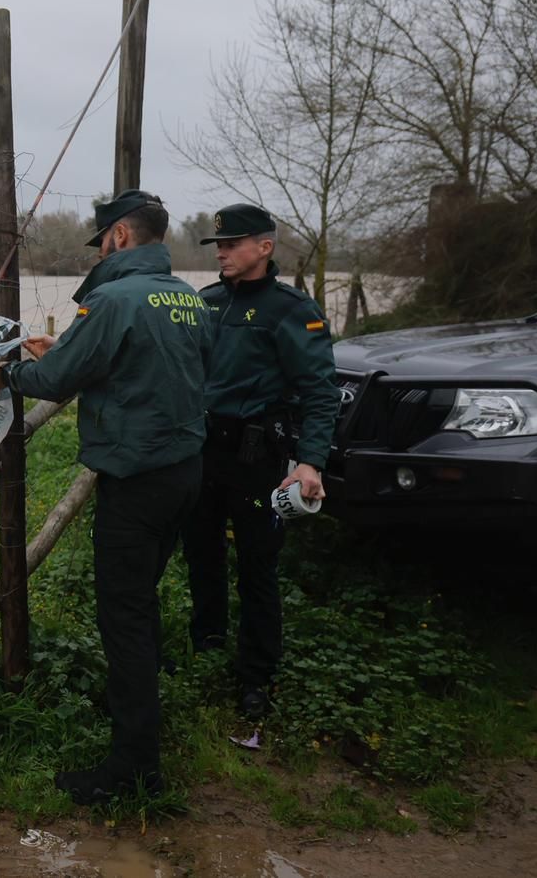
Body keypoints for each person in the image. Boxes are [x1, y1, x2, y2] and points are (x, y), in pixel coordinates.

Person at [0, 189, 208, 804]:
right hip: (185, 474)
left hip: (136, 486)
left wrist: (8, 374)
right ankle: (136, 712)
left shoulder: (111, 298)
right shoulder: (188, 299)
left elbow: (55, 382)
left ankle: (134, 770)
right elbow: (165, 367)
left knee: (125, 617)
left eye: (102, 240)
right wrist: (71, 352)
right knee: (141, 601)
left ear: (118, 237)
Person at [183, 203, 340, 720]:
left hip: (258, 459)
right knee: (201, 552)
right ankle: (206, 643)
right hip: (202, 453)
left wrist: (311, 462)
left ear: (264, 247)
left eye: (231, 244)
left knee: (257, 566)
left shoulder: (292, 310)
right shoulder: (204, 304)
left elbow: (319, 393)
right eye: (219, 245)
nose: (222, 252)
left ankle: (256, 676)